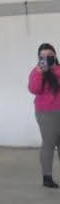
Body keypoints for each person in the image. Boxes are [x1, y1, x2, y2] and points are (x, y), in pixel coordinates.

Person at [28, 43, 60, 188]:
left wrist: (54, 70)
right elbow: (34, 89)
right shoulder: (36, 72)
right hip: (46, 113)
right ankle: (47, 177)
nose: (46, 59)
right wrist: (40, 73)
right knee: (49, 143)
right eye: (43, 56)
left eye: (49, 56)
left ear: (55, 56)